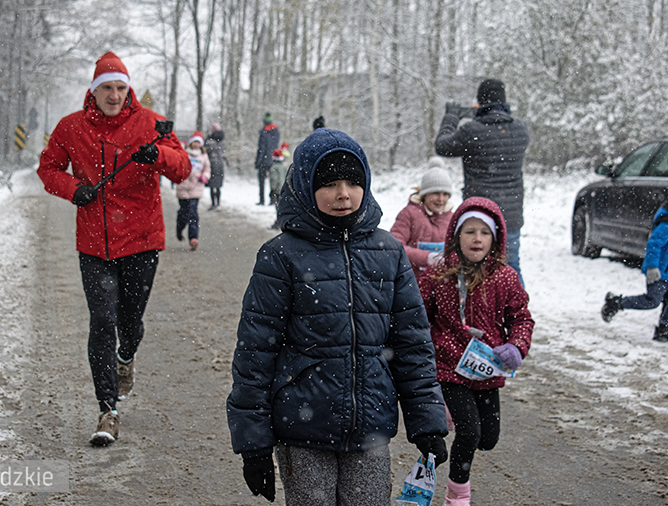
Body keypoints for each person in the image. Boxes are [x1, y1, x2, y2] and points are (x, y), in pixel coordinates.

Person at [227, 128, 448, 505]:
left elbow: (412, 344)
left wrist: (427, 422)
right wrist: (254, 443)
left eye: (352, 181)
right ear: (305, 186)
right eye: (329, 183)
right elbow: (255, 352)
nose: (343, 193)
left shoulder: (388, 252)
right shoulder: (281, 256)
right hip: (303, 427)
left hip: (371, 427)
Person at [37, 51, 191, 446]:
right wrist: (75, 190)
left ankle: (127, 357)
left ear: (129, 89)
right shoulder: (71, 127)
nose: (115, 95)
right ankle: (108, 409)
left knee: (129, 323)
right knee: (102, 321)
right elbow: (48, 168)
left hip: (141, 240)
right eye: (107, 87)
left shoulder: (151, 124)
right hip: (95, 243)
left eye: (121, 88)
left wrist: (157, 154)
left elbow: (183, 167)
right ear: (94, 90)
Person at [418, 197, 534, 506]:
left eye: (485, 233)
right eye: (470, 231)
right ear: (456, 235)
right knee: (469, 433)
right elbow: (418, 317)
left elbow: (521, 317)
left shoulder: (506, 277)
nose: (477, 238)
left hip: (486, 370)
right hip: (449, 368)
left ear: (495, 238)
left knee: (487, 439)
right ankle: (457, 497)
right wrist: (425, 352)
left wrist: (517, 346)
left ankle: (455, 416)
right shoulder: (439, 275)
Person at [435, 78, 530, 287]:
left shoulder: (472, 131)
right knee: (512, 266)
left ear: (479, 102)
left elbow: (442, 146)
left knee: (477, 268)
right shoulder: (521, 130)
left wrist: (452, 116)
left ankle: (479, 315)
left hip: (480, 215)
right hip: (511, 216)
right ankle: (517, 314)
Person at [601, 202, 668, 342]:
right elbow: (654, 244)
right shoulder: (666, 224)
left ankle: (663, 329)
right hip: (659, 272)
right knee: (652, 300)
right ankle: (616, 303)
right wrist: (652, 267)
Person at [390, 156, 454, 281]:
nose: (441, 199)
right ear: (425, 194)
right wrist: (426, 258)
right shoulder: (408, 214)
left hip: (442, 286)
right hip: (412, 283)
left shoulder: (452, 218)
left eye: (445, 194)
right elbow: (395, 247)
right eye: (436, 193)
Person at [175, 131, 211, 251]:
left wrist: (204, 176)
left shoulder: (203, 156)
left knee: (193, 214)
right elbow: (177, 166)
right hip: (183, 187)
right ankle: (179, 228)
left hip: (196, 188)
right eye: (194, 142)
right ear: (190, 143)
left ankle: (193, 238)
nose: (196, 145)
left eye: (198, 143)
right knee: (183, 213)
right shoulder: (185, 154)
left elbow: (207, 169)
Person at [254, 112, 280, 205]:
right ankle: (273, 199)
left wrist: (258, 162)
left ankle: (262, 200)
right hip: (273, 159)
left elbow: (261, 148)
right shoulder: (276, 131)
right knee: (273, 180)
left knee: (261, 180)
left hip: (264, 160)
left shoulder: (264, 132)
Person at [267, 142, 290, 230]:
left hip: (277, 191)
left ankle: (278, 223)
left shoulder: (273, 168)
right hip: (284, 190)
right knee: (282, 207)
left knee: (278, 208)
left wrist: (273, 189)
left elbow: (274, 180)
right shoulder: (284, 167)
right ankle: (281, 222)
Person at [205, 123, 227, 210]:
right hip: (220, 165)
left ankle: (213, 203)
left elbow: (207, 150)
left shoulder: (210, 141)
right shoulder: (222, 141)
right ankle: (218, 203)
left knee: (212, 186)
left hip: (212, 164)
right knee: (218, 186)